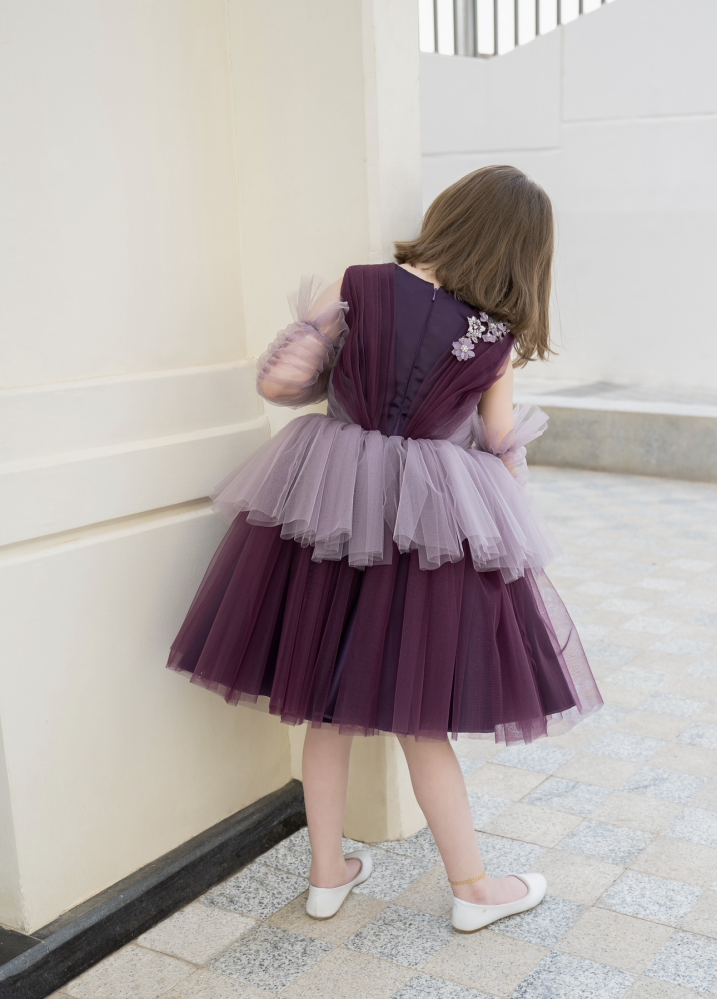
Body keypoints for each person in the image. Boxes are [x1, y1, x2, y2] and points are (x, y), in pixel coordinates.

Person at [167, 165, 602, 933]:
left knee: (322, 707)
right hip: (425, 528)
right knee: (419, 718)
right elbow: (500, 445)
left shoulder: (362, 284)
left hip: (324, 504)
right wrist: (501, 530)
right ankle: (472, 887)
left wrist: (320, 350)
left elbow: (281, 385)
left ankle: (326, 876)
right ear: (521, 253)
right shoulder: (493, 339)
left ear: (448, 215)